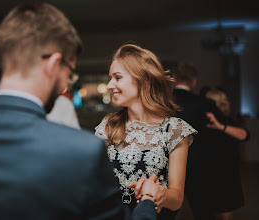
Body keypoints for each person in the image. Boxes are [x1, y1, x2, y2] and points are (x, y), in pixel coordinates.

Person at [0, 3, 163, 220]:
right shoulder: (83, 152)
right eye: (69, 73)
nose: (67, 82)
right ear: (53, 64)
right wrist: (147, 200)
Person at [95, 44, 197, 220]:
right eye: (110, 78)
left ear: (142, 79)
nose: (110, 85)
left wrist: (160, 194)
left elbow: (177, 199)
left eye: (117, 78)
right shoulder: (108, 125)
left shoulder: (174, 129)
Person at [172, 62, 223, 220]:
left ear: (173, 79)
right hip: (199, 166)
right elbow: (216, 135)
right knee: (203, 213)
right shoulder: (205, 104)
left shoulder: (160, 103)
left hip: (167, 166)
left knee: (164, 213)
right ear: (194, 81)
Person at [205, 89, 249, 220]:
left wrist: (221, 127)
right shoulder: (204, 122)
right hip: (208, 173)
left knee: (226, 212)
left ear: (219, 104)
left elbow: (245, 135)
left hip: (227, 174)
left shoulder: (228, 121)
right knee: (210, 211)